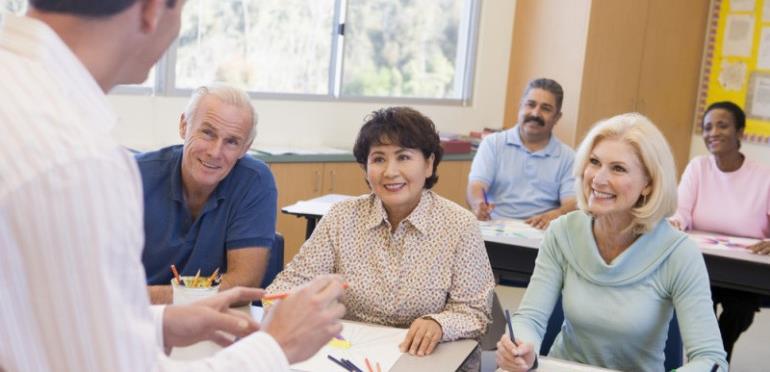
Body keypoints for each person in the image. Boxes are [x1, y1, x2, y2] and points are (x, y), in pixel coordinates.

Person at [0, 1, 345, 371]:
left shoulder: (20, 94)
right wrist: (275, 347)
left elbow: (47, 319)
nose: (216, 152)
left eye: (231, 142)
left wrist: (160, 322)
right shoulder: (77, 159)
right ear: (152, 10)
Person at [496, 113, 727, 371]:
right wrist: (523, 348)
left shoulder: (679, 253)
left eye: (618, 168)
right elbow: (531, 318)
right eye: (594, 162)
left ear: (648, 184)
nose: (598, 179)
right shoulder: (563, 232)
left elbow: (711, 358)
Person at [267, 106, 495, 357]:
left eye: (403, 157)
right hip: (351, 353)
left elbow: (475, 313)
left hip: (424, 358)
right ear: (365, 169)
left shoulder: (459, 225)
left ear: (428, 164)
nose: (390, 171)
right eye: (378, 159)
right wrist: (288, 308)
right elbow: (288, 286)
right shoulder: (342, 217)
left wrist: (439, 324)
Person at [138, 84, 277, 304]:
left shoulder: (254, 181)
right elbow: (101, 277)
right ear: (184, 126)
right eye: (207, 133)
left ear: (245, 148)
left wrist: (146, 296)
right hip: (137, 320)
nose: (215, 152)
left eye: (231, 142)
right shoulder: (135, 176)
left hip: (210, 320)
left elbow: (243, 284)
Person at [670, 101, 770, 362]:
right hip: (700, 261)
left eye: (722, 125)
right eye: (707, 127)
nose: (713, 132)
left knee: (740, 310)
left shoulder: (764, 176)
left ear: (740, 132)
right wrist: (675, 222)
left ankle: (713, 360)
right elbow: (682, 211)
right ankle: (712, 362)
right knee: (695, 308)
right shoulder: (698, 167)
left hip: (745, 268)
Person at [467, 78, 576, 229]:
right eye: (530, 104)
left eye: (545, 108)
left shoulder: (568, 157)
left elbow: (571, 202)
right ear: (520, 107)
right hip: (494, 230)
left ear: (557, 117)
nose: (535, 113)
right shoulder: (493, 144)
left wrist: (556, 214)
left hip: (541, 235)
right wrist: (478, 204)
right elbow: (476, 185)